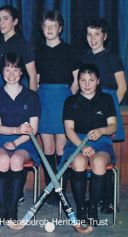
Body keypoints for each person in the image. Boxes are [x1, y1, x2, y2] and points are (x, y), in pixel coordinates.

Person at [0, 53, 40, 225]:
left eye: (15, 69)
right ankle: (1, 209)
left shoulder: (32, 96)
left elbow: (33, 129)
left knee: (16, 160)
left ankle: (12, 209)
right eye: (7, 69)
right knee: (2, 160)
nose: (11, 74)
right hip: (1, 139)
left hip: (25, 141)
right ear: (1, 72)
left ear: (21, 72)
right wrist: (16, 130)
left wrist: (16, 141)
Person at [62, 64, 117, 226]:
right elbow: (69, 130)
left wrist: (102, 130)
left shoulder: (106, 99)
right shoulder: (70, 101)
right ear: (78, 81)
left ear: (98, 81)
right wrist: (82, 146)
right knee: (78, 162)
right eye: (83, 80)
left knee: (98, 162)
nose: (86, 84)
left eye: (91, 80)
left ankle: (92, 207)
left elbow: (113, 126)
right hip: (77, 142)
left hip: (101, 142)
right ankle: (80, 208)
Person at [82, 18, 126, 213]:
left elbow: (122, 86)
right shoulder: (84, 57)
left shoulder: (112, 57)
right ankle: (94, 197)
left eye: (97, 34)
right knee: (91, 148)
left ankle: (107, 199)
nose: (93, 39)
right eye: (89, 34)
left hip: (106, 105)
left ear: (105, 37)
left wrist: (108, 107)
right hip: (88, 106)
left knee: (104, 150)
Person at [35, 10, 80, 205]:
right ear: (42, 29)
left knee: (62, 147)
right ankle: (50, 189)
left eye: (53, 26)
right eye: (46, 26)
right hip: (44, 99)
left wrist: (67, 98)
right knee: (48, 147)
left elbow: (77, 79)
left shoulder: (69, 50)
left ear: (60, 28)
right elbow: (35, 79)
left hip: (63, 98)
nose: (50, 29)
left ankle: (60, 189)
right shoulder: (38, 51)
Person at [0, 5, 37, 91]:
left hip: (18, 89)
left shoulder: (23, 45)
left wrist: (32, 99)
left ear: (15, 21)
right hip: (0, 89)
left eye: (6, 18)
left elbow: (33, 75)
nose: (1, 23)